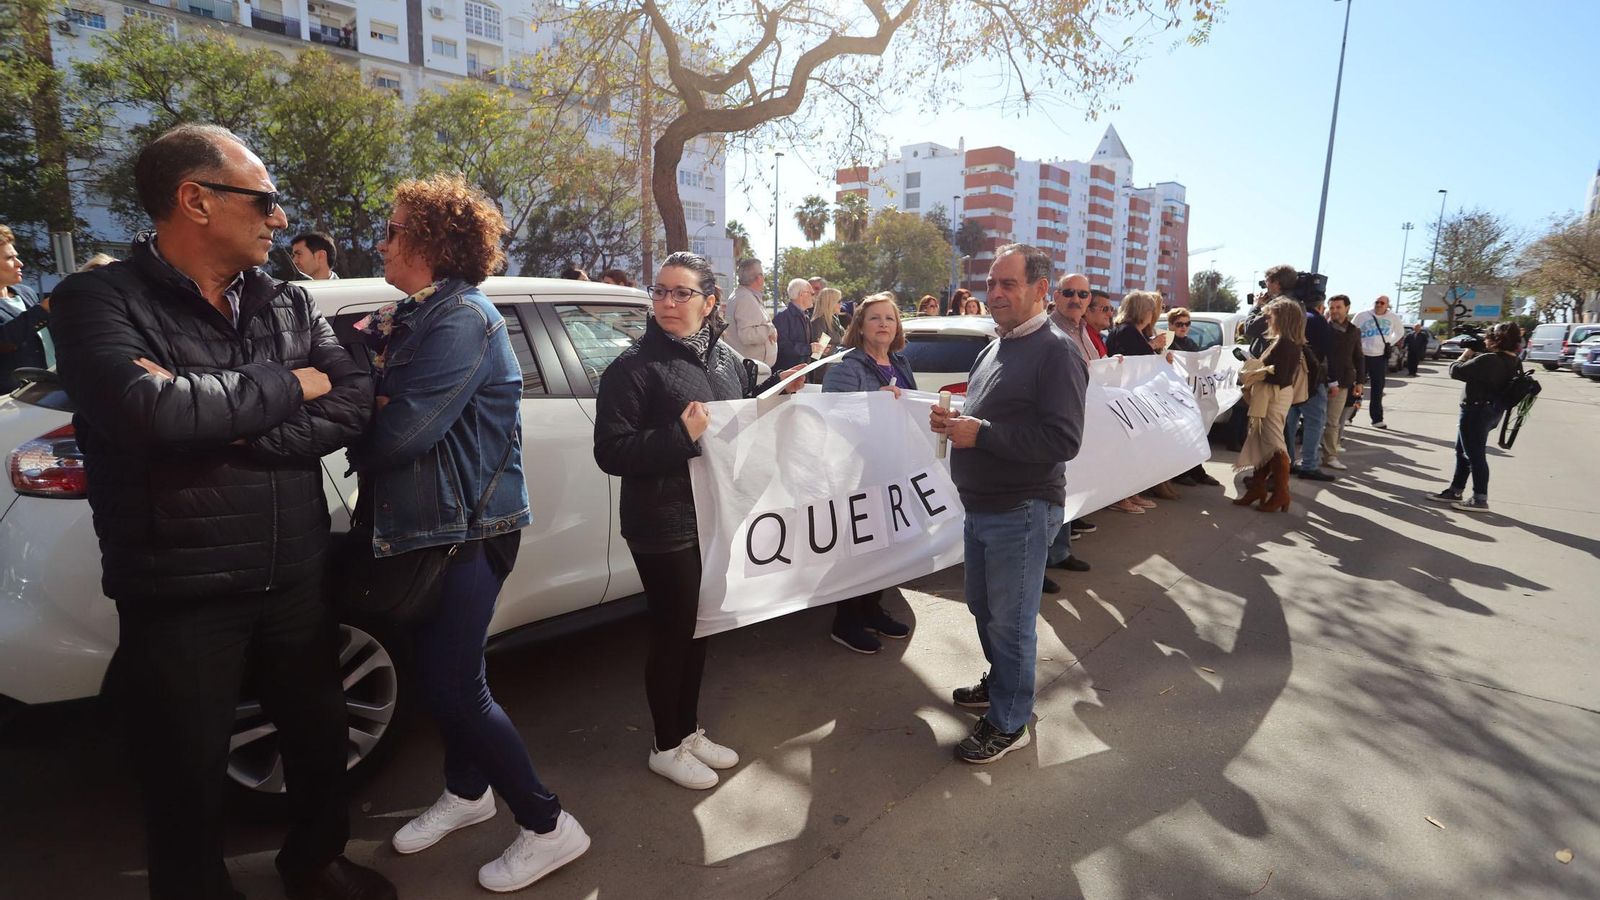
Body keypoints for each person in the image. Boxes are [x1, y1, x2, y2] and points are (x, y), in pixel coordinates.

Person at [48, 124, 388, 900]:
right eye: (264, 199)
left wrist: (220, 427)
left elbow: (353, 399)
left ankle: (316, 861)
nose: (279, 218)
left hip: (296, 573)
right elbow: (146, 411)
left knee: (319, 740)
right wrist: (290, 385)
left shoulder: (287, 300)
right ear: (195, 200)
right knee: (184, 773)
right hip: (179, 588)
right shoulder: (97, 299)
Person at [350, 174, 589, 892]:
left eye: (393, 230)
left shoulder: (460, 319)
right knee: (443, 676)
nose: (382, 242)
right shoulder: (415, 314)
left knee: (456, 686)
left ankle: (548, 824)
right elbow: (369, 384)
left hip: (470, 529)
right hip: (434, 526)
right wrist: (373, 394)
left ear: (430, 241)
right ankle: (467, 791)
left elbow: (402, 435)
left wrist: (367, 408)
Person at [593, 251, 805, 790]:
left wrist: (779, 392)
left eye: (681, 292)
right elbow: (611, 452)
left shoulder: (725, 359)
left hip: (715, 514)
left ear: (709, 303)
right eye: (660, 291)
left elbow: (740, 413)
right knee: (673, 633)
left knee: (700, 626)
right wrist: (678, 436)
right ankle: (665, 745)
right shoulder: (632, 368)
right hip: (661, 523)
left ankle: (687, 731)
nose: (667, 302)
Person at [930, 243, 1087, 765]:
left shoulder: (1058, 351)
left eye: (1008, 284)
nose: (995, 292)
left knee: (1010, 620)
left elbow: (1063, 440)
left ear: (1041, 289)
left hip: (1021, 508)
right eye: (991, 283)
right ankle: (1003, 682)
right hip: (982, 506)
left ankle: (1010, 720)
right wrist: (956, 424)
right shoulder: (995, 346)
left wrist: (983, 434)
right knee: (985, 608)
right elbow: (991, 415)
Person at [820, 292, 916, 653]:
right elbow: (832, 416)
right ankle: (846, 619)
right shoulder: (846, 366)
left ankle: (872, 608)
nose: (883, 324)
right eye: (875, 318)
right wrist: (875, 403)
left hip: (893, 468)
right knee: (858, 547)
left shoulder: (901, 362)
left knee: (885, 544)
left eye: (890, 318)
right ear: (860, 326)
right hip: (857, 473)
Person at [1426, 322, 1522, 513]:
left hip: (1476, 412)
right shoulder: (1514, 360)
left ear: (1496, 340)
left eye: (1488, 337)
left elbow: (1455, 370)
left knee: (1475, 455)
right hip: (1491, 411)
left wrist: (1468, 352)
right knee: (1463, 452)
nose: (1485, 340)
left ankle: (1480, 499)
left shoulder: (1489, 360)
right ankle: (1455, 491)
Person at [1043, 272, 1099, 567]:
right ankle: (1044, 560)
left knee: (1070, 487)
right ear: (1055, 296)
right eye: (1068, 293)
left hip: (1081, 419)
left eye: (1082, 294)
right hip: (1056, 422)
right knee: (1052, 493)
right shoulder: (1047, 330)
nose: (1076, 299)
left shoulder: (1083, 329)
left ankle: (1059, 552)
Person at [1105, 289, 1180, 508]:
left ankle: (1131, 492)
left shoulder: (1131, 331)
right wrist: (1153, 347)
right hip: (1126, 399)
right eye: (1151, 309)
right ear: (1142, 311)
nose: (1153, 313)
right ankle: (1122, 495)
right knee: (1128, 449)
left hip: (1132, 398)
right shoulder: (1127, 331)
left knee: (1135, 449)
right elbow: (1134, 361)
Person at [1232, 298, 1305, 514]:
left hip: (1274, 396)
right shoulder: (1285, 341)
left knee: (1274, 445)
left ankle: (1281, 493)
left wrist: (1255, 370)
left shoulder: (1286, 343)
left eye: (1270, 315)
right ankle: (1258, 488)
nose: (1268, 319)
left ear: (1283, 317)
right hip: (1273, 395)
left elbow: (1279, 376)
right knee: (1263, 442)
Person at [1163, 307, 1224, 489]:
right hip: (1173, 395)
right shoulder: (1166, 342)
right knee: (1179, 434)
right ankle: (1180, 473)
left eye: (1187, 324)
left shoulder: (1190, 343)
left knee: (1195, 432)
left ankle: (1197, 471)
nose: (1184, 327)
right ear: (1170, 325)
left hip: (1191, 393)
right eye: (1179, 324)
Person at [1285, 293, 1335, 482]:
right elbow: (1328, 352)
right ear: (1321, 305)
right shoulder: (1318, 321)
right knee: (1314, 422)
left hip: (1289, 379)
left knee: (1289, 423)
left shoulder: (1290, 318)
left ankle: (1287, 462)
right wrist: (1333, 380)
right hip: (1311, 380)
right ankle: (1309, 465)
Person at [1, 224, 51, 392]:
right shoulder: (40, 307)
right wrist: (43, 310)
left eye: (17, 257)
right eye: (10, 258)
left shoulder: (26, 293)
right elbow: (4, 339)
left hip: (47, 391)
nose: (20, 263)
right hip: (10, 399)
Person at [1320, 294, 1363, 470]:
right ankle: (1308, 458)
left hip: (1343, 382)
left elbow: (1359, 357)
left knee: (1333, 421)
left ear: (1347, 308)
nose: (1334, 311)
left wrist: (1360, 381)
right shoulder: (1323, 328)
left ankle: (1330, 456)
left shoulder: (1354, 331)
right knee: (1314, 421)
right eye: (1332, 307)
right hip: (1320, 381)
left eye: (1338, 307)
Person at [1355, 295, 1402, 428]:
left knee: (1377, 389)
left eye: (1382, 303)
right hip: (1362, 355)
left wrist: (1389, 342)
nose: (1379, 305)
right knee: (1356, 386)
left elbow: (1399, 332)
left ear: (1387, 305)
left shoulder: (1393, 317)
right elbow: (1352, 329)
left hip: (1380, 357)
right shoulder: (1362, 315)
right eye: (1377, 302)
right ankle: (1349, 416)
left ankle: (1377, 419)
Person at [727, 257, 777, 368]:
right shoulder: (745, 298)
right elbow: (747, 335)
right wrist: (770, 329)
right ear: (759, 278)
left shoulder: (743, 295)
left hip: (750, 368)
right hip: (750, 370)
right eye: (763, 275)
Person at [774, 277, 816, 370]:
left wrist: (818, 349)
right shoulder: (782, 317)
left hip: (803, 372)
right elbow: (782, 347)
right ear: (802, 294)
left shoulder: (806, 316)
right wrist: (809, 348)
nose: (814, 297)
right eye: (812, 293)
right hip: (789, 373)